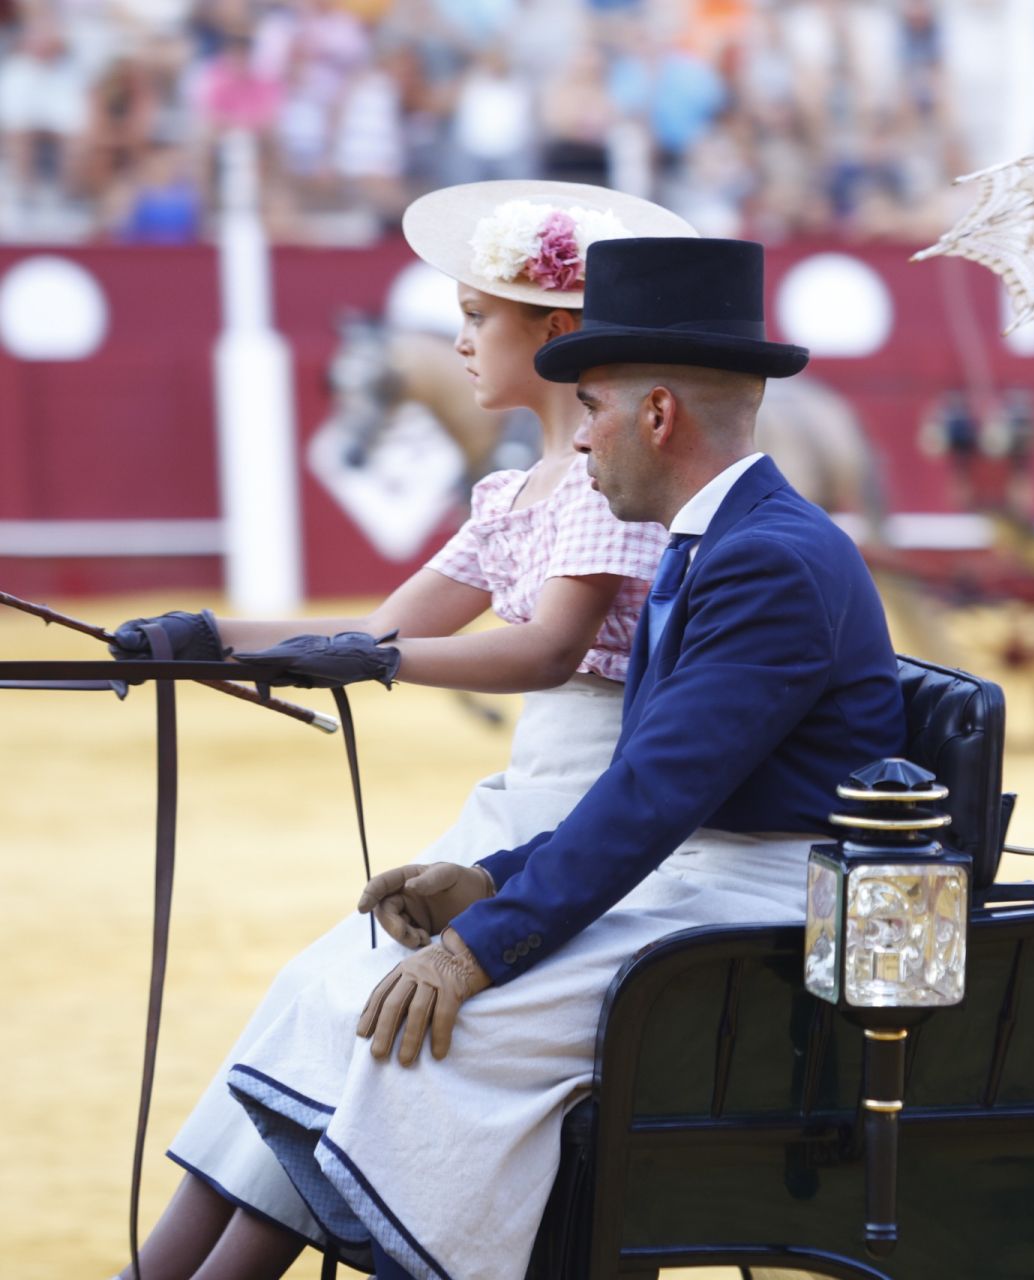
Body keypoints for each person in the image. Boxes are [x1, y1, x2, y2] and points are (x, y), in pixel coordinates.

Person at [213, 236, 904, 1280]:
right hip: (711, 883)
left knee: (412, 1039)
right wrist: (493, 874)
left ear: (657, 415)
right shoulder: (721, 538)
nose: (578, 443)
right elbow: (650, 789)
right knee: (361, 1009)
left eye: (589, 409)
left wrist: (479, 940)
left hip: (760, 912)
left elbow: (653, 795)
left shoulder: (761, 556)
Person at [111, 179, 697, 1280]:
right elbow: (380, 624)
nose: (460, 342)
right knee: (310, 990)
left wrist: (379, 660)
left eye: (480, 318)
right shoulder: (514, 492)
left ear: (557, 332)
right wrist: (206, 637)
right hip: (526, 798)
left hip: (586, 809)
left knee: (356, 1013)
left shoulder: (596, 487)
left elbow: (546, 652)